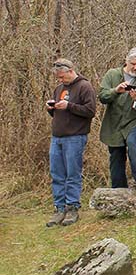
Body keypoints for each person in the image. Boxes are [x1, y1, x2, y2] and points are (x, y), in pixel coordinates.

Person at [46, 59, 96, 227]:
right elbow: (58, 114)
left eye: (62, 76)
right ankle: (59, 208)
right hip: (57, 136)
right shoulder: (59, 89)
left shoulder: (84, 87)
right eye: (58, 77)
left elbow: (90, 111)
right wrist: (51, 109)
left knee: (72, 173)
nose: (60, 80)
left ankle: (72, 207)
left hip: (75, 136)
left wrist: (69, 106)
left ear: (70, 70)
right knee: (57, 174)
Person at [99, 47, 136, 189]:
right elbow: (102, 97)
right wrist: (116, 91)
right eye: (133, 64)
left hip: (135, 121)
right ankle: (118, 189)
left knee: (132, 142)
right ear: (126, 60)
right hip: (114, 123)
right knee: (116, 156)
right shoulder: (112, 75)